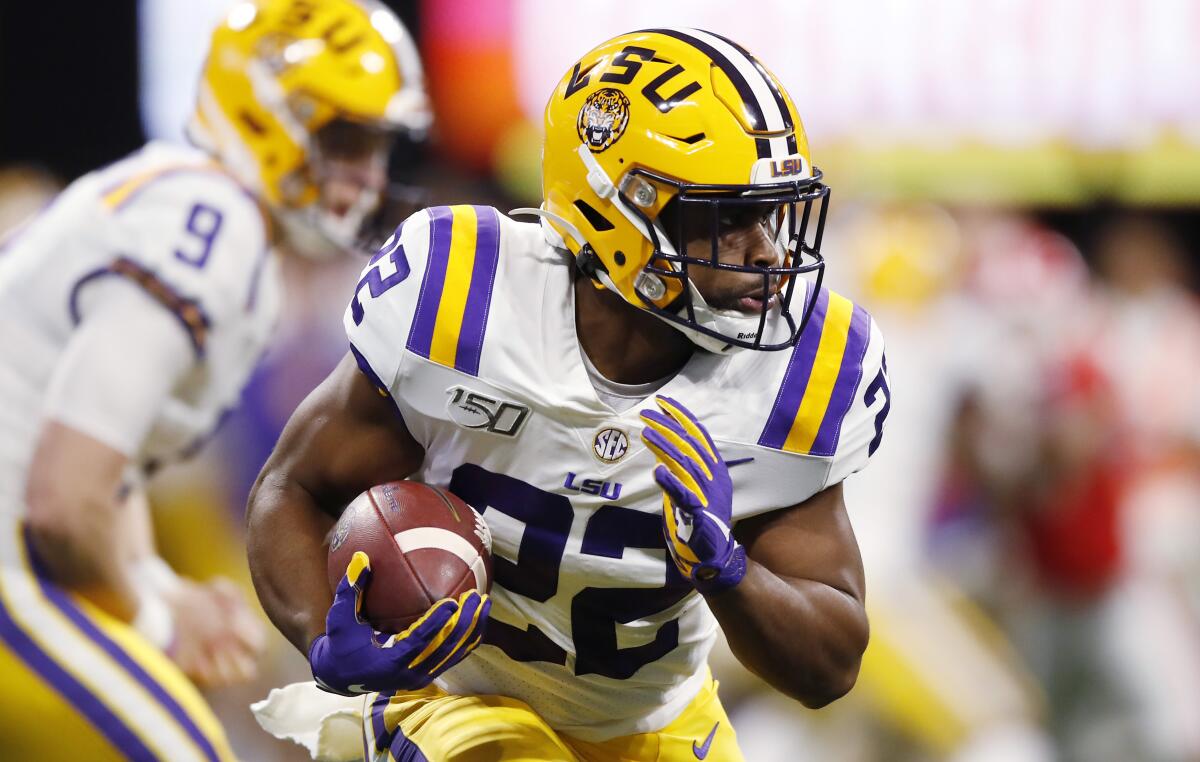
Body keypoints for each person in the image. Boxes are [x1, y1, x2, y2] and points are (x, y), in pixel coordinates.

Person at [247, 28, 889, 761]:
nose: (769, 251)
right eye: (727, 217)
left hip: (655, 725)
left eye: (771, 214)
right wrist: (322, 635)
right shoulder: (464, 297)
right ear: (620, 214)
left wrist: (730, 574)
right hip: (453, 704)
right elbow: (293, 488)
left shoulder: (797, 370)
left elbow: (831, 665)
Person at [0, 1, 430, 759]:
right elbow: (64, 503)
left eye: (377, 148)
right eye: (343, 140)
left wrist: (159, 593)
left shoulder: (206, 216)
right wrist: (160, 619)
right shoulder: (213, 222)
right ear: (265, 115)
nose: (365, 177)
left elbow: (109, 462)